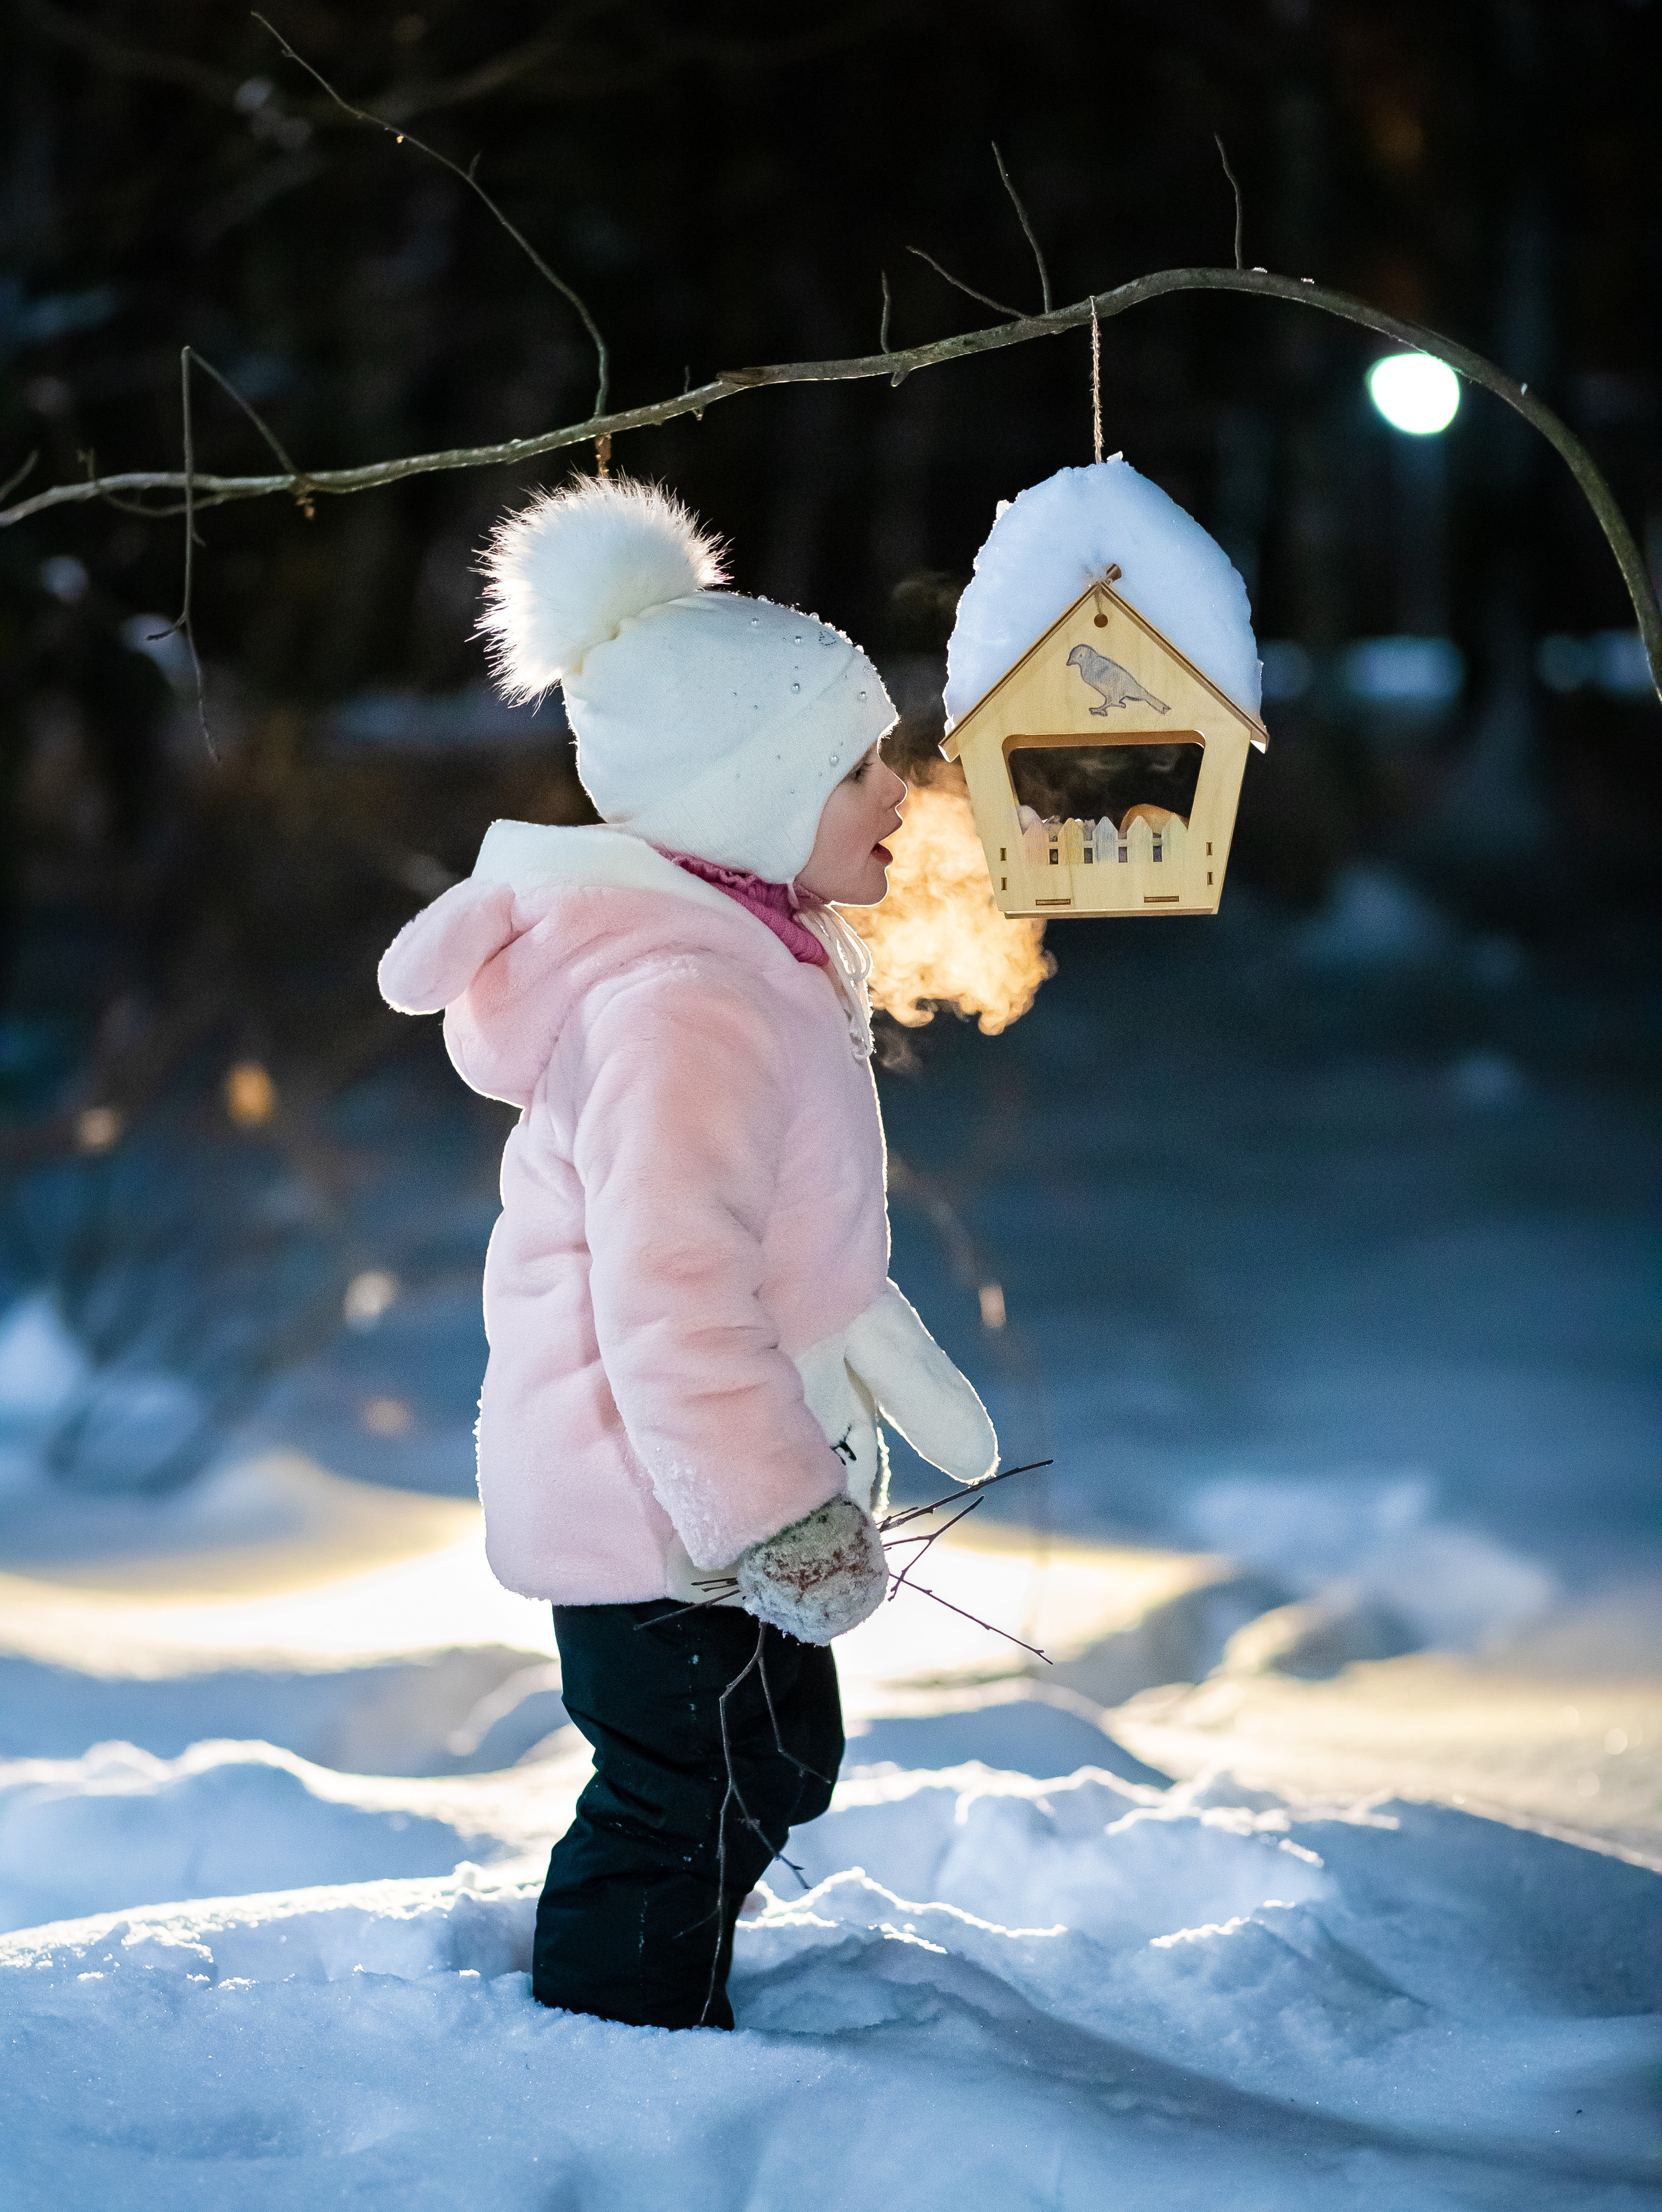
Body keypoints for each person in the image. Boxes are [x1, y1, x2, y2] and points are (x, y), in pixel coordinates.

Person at [378, 477, 997, 2030]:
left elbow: (775, 1239)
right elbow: (665, 1293)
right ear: (746, 793)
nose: (897, 790)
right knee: (692, 1787)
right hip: (655, 1494)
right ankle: (617, 2063)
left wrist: (861, 1337)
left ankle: (662, 2016)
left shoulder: (749, 961)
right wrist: (779, 1509)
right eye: (857, 764)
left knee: (767, 1763)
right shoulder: (686, 1006)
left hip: (697, 1488)